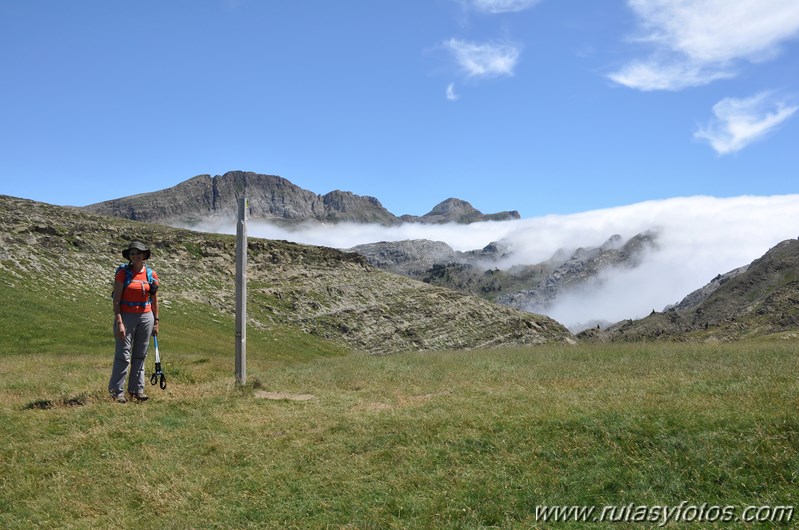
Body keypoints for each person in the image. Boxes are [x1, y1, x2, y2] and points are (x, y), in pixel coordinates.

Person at [108, 240, 160, 403]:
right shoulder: (123, 273)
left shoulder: (151, 275)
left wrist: (156, 321)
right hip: (126, 316)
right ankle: (117, 392)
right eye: (132, 253)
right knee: (123, 355)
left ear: (144, 255)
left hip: (146, 317)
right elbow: (116, 300)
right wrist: (120, 322)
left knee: (140, 354)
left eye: (138, 253)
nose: (135, 256)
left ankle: (137, 390)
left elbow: (154, 299)